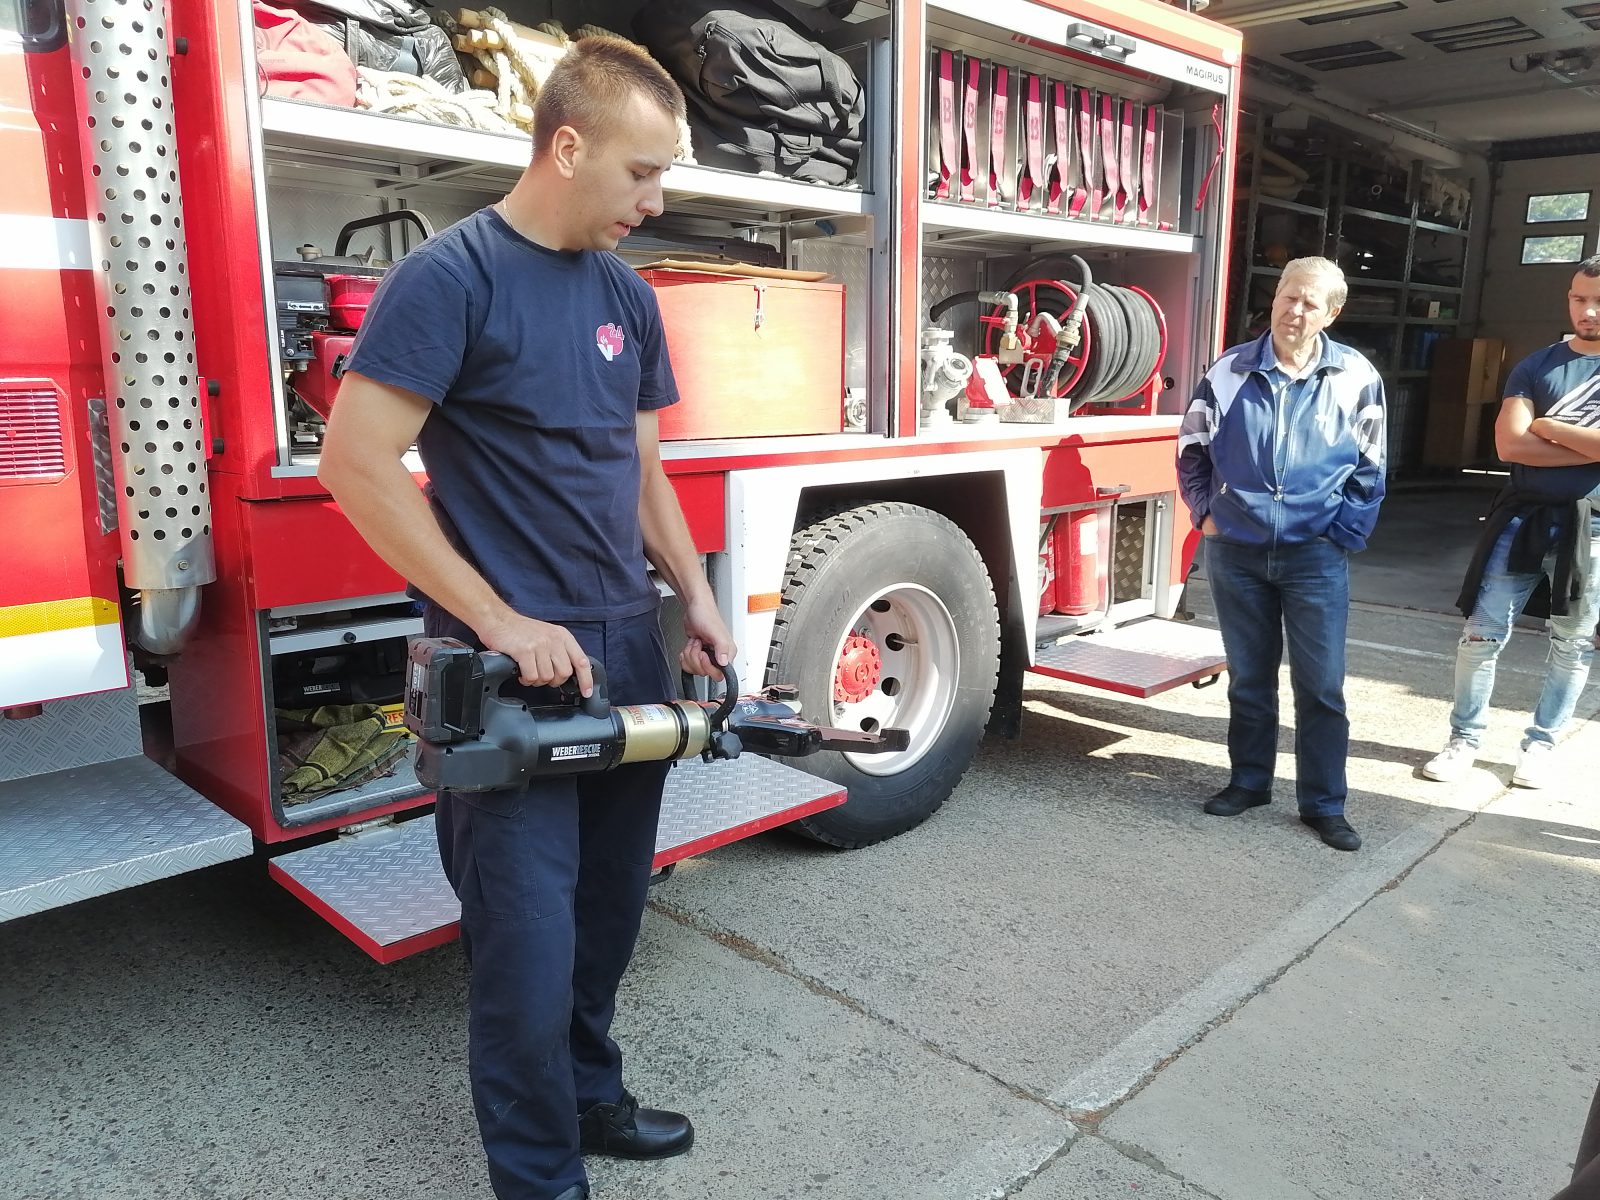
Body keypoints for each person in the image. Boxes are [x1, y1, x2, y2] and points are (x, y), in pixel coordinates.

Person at [318, 37, 735, 1200]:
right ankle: (540, 1178)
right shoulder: (450, 279)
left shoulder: (626, 298)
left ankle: (589, 1099)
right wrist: (497, 619)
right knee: (525, 948)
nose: (655, 202)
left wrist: (696, 598)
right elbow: (354, 463)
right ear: (566, 147)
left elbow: (642, 469)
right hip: (508, 677)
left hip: (624, 649)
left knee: (607, 917)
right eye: (641, 173)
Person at [1177, 256, 1387, 852]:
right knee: (1249, 678)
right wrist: (1207, 513)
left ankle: (1324, 804)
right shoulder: (1229, 372)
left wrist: (1342, 533)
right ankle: (1249, 782)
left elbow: (1371, 466)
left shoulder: (1355, 376)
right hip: (1236, 552)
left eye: (1310, 303)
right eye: (1288, 297)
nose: (1295, 310)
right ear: (1274, 298)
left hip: (1314, 555)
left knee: (1321, 687)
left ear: (1331, 314)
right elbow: (1192, 447)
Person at [1420, 258, 1600, 790]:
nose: (1588, 311)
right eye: (1578, 298)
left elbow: (1531, 437)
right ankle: (1464, 740)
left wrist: (1547, 427)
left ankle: (1541, 745)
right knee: (1480, 633)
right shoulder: (1536, 366)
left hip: (1591, 528)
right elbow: (1509, 445)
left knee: (1572, 642)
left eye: (1599, 301)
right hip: (1522, 518)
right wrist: (1582, 446)